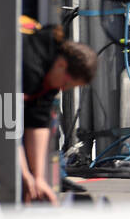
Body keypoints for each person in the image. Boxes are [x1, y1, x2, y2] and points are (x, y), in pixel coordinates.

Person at [20, 16, 97, 204]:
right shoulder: (28, 65)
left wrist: (38, 177)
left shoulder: (50, 73)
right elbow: (2, 121)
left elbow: (38, 123)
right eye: (66, 84)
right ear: (62, 65)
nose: (63, 89)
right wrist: (24, 175)